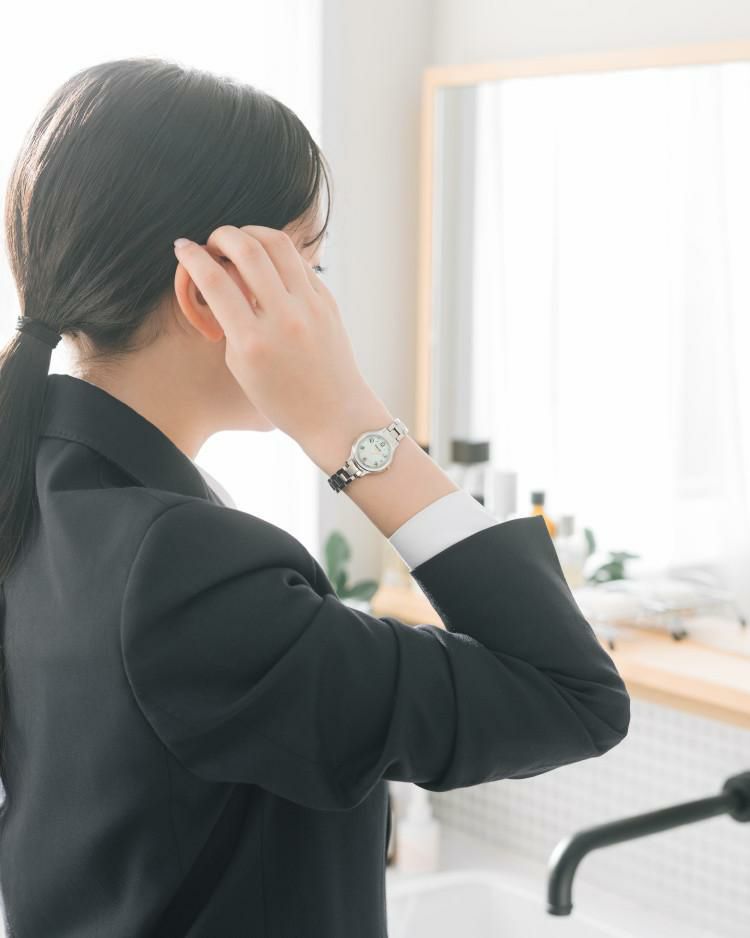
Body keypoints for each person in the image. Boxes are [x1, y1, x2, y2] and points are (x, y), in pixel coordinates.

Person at [0, 57, 630, 937]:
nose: (325, 305)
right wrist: (349, 424)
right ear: (210, 291)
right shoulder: (179, 569)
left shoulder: (43, 492)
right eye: (311, 267)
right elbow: (572, 698)